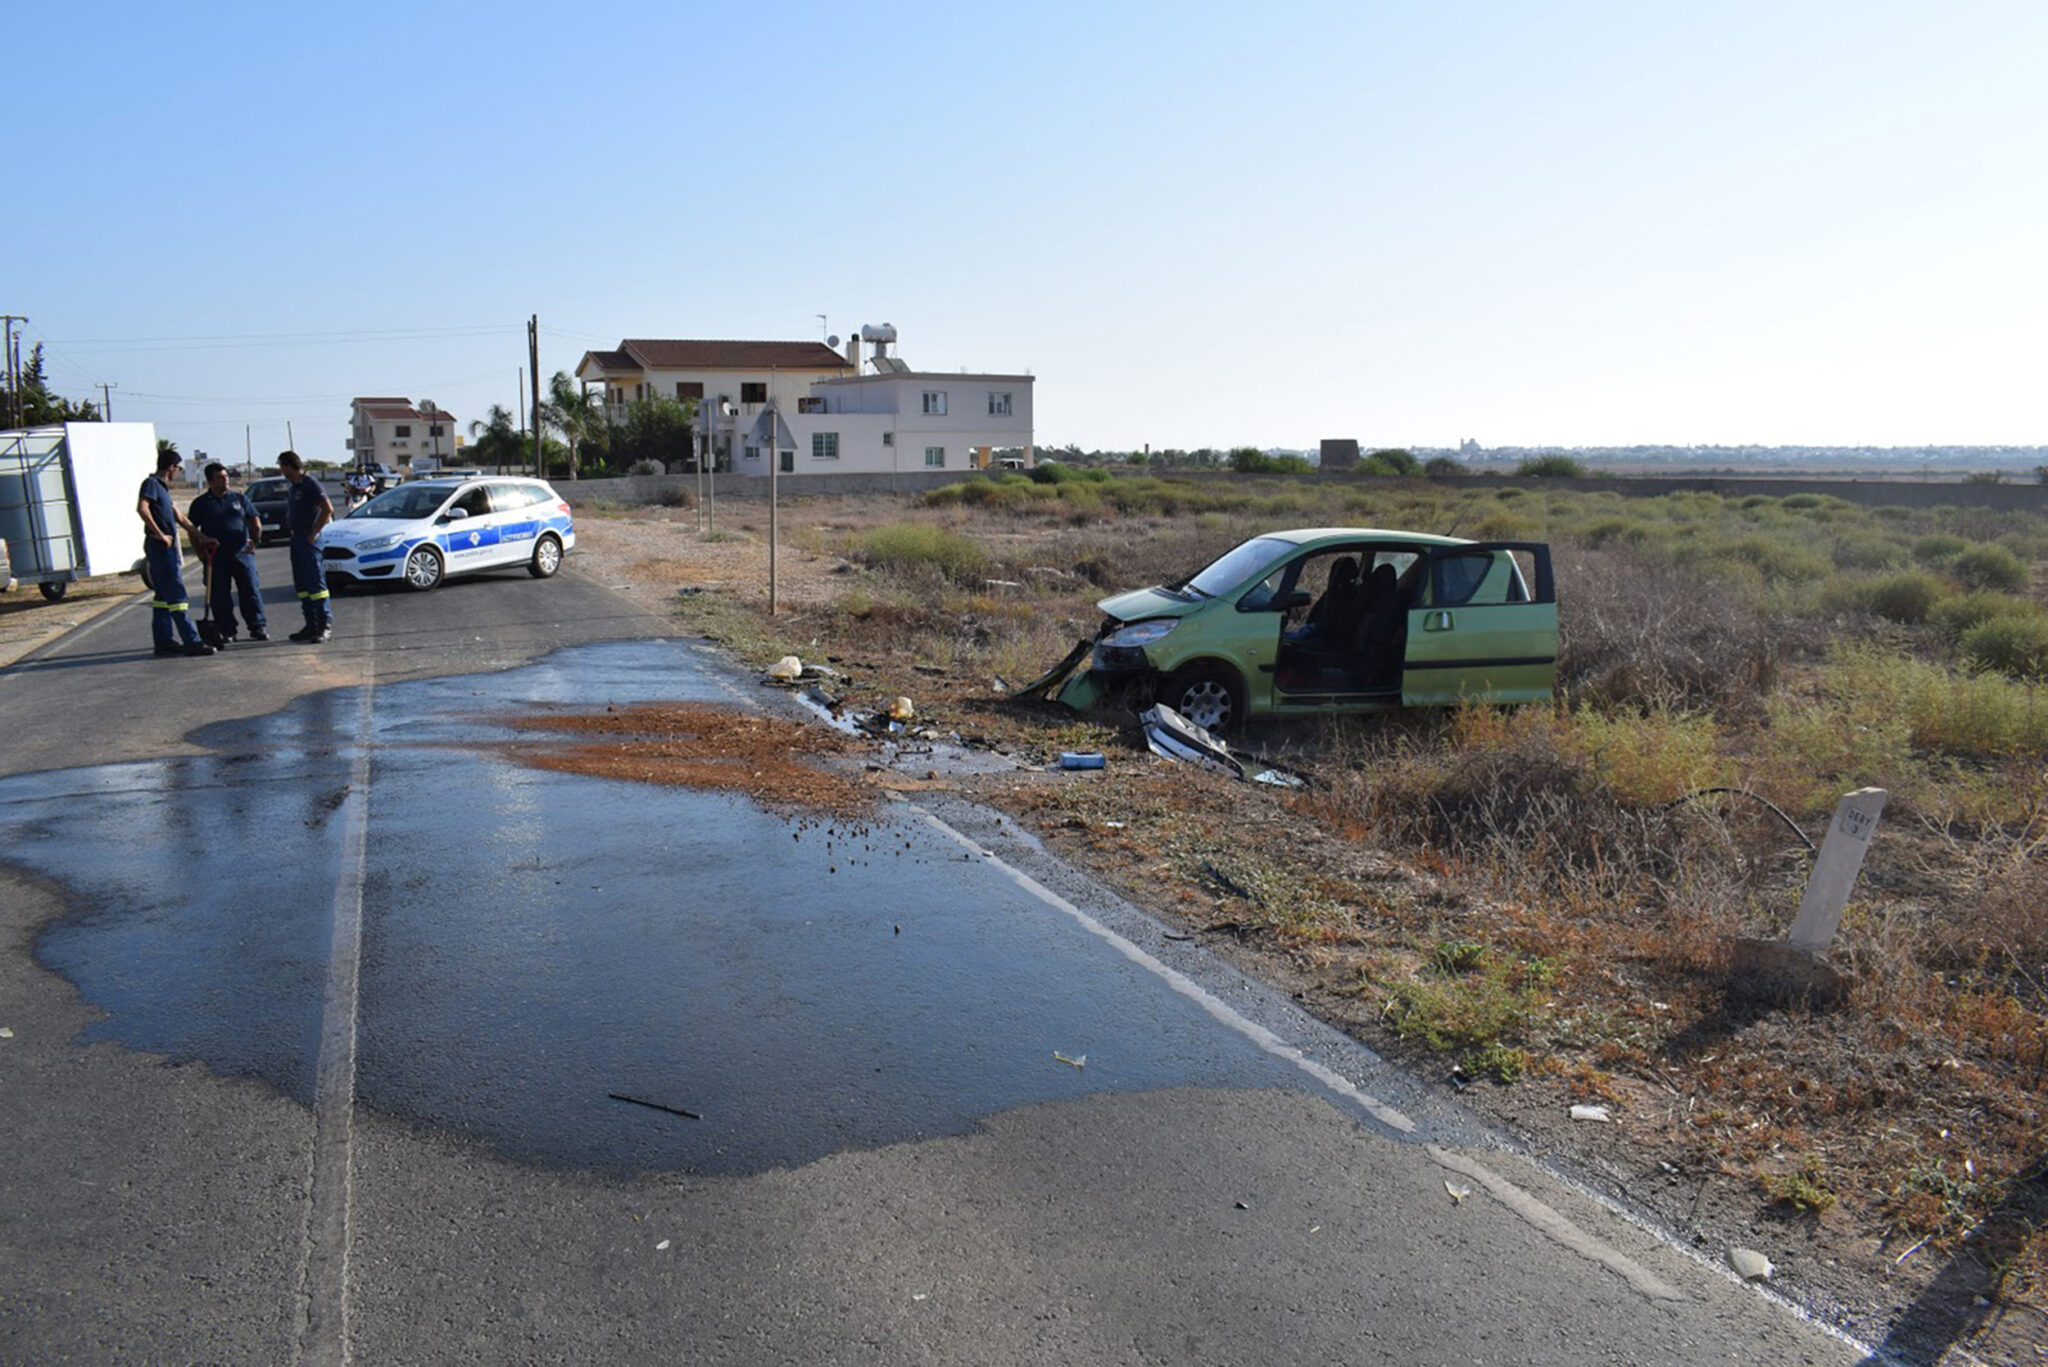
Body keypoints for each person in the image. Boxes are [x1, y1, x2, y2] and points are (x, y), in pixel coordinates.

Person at [136, 450, 217, 657]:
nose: (178, 472)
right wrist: (160, 534)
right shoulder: (152, 484)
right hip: (161, 548)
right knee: (177, 595)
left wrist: (201, 536)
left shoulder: (163, 490)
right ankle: (192, 641)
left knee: (163, 597)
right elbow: (142, 509)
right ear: (171, 466)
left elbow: (179, 516)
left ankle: (163, 642)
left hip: (166, 547)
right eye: (178, 468)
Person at [187, 463, 268, 643]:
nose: (225, 480)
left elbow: (254, 519)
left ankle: (257, 626)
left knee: (250, 590)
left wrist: (255, 540)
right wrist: (200, 553)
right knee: (219, 595)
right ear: (210, 481)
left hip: (242, 554)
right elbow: (192, 530)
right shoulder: (201, 504)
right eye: (219, 478)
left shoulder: (239, 498)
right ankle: (227, 629)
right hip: (216, 557)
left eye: (226, 477)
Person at [276, 450, 334, 643]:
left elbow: (327, 509)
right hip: (296, 539)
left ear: (288, 465)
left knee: (316, 584)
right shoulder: (294, 486)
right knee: (302, 586)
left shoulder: (310, 484)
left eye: (282, 466)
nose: (281, 471)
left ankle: (324, 625)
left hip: (309, 540)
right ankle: (311, 624)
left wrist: (314, 532)